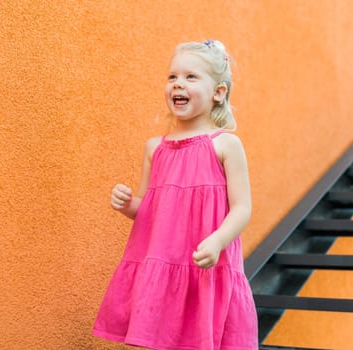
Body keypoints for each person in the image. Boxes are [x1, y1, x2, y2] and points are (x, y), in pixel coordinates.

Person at [93, 40, 258, 349]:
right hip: (162, 262)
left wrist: (218, 240)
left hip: (204, 264)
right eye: (172, 77)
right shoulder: (156, 148)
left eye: (191, 77)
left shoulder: (224, 145)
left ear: (218, 93)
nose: (178, 84)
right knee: (161, 337)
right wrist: (129, 204)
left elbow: (242, 208)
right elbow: (148, 210)